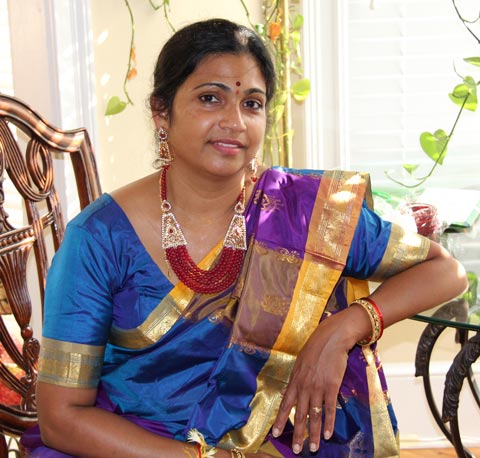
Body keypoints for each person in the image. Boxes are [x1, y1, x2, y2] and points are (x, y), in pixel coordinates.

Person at [21, 18, 467, 458]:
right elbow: (62, 417)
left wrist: (345, 327)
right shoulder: (98, 238)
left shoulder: (303, 213)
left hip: (268, 441)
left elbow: (445, 271)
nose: (234, 121)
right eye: (210, 98)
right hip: (134, 447)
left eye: (252, 103)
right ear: (161, 111)